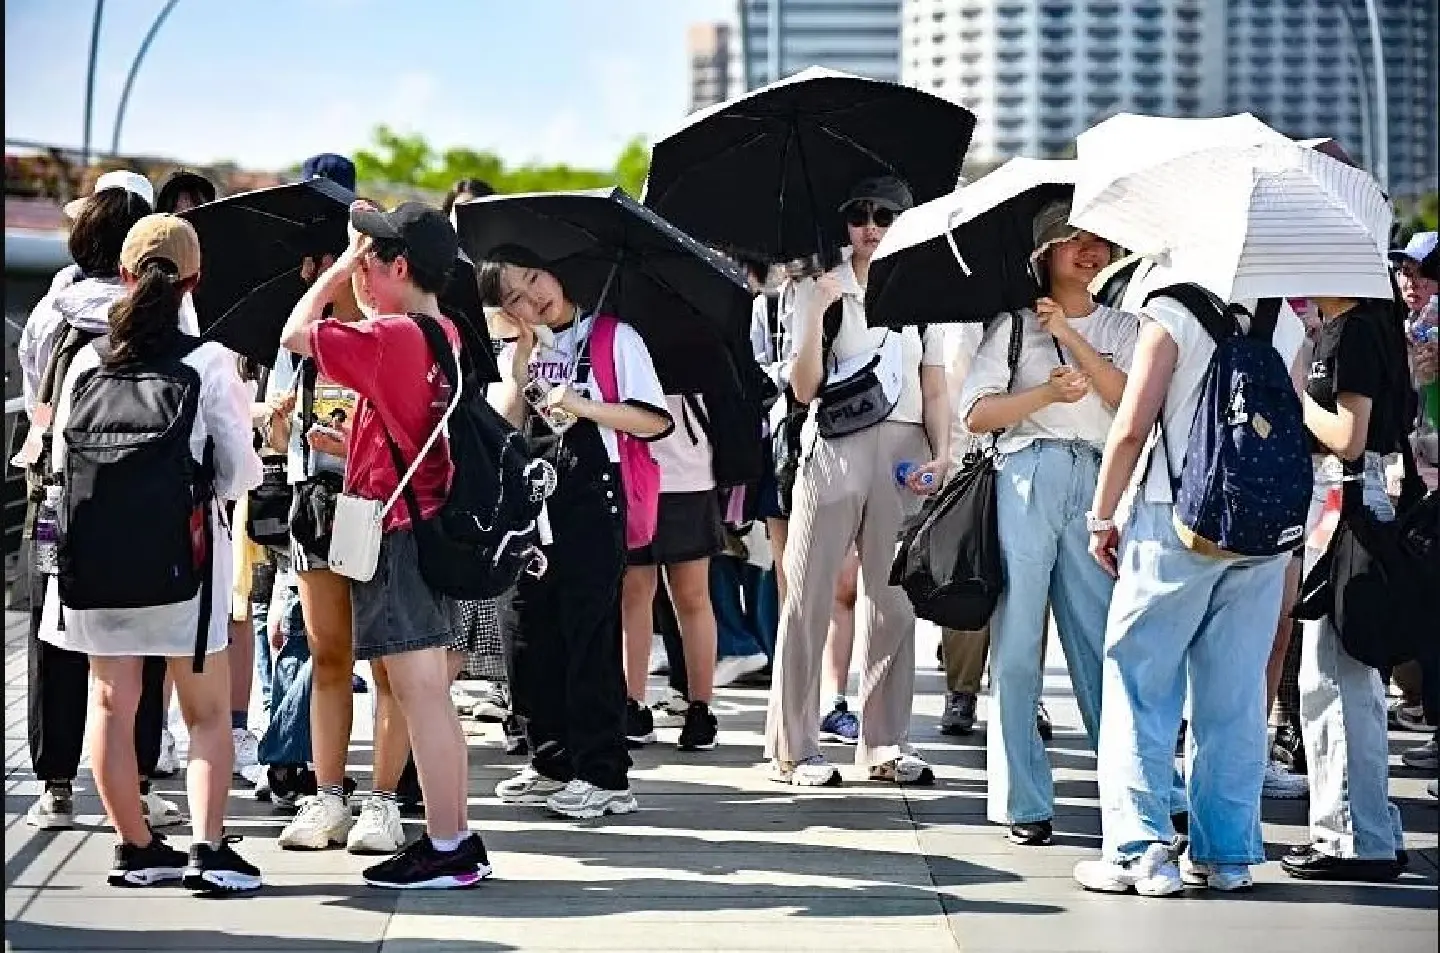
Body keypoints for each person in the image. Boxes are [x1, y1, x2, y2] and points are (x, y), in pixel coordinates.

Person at [39, 213, 263, 891]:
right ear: (195, 279)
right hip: (185, 569)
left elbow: (58, 459)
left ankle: (136, 848)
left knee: (111, 702)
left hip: (96, 566)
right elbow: (239, 473)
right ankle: (208, 848)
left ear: (126, 274)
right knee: (203, 713)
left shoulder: (85, 359)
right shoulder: (209, 361)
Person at [1073, 265, 1305, 896]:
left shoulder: (1171, 308)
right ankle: (1226, 855)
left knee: (1139, 684)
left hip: (1172, 519)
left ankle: (1139, 849)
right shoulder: (1283, 318)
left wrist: (1100, 517)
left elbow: (1132, 425)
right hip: (1260, 530)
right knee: (1233, 699)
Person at [279, 199, 491, 889]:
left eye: (371, 260)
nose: (361, 273)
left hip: (397, 532)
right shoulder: (444, 333)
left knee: (422, 691)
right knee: (429, 692)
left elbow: (295, 335)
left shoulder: (396, 334)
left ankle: (449, 842)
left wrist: (336, 269)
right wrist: (352, 444)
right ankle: (457, 837)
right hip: (421, 517)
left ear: (399, 266)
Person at [957, 202, 1137, 844]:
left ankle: (1133, 793)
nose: (1090, 251)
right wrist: (1044, 394)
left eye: (1099, 240)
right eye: (1074, 241)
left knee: (1104, 645)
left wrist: (1072, 336)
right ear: (1043, 253)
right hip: (1024, 474)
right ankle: (1021, 802)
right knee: (1015, 646)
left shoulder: (1125, 324)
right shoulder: (1008, 325)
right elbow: (976, 414)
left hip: (1097, 483)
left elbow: (1124, 398)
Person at [764, 175, 949, 787]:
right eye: (859, 214)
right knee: (809, 591)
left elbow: (935, 380)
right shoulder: (821, 286)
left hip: (906, 447)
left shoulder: (923, 287)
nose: (872, 226)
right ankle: (795, 746)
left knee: (893, 598)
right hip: (836, 441)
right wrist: (815, 312)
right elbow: (802, 386)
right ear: (842, 223)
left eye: (886, 215)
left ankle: (884, 745)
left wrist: (944, 452)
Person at [17, 174, 181, 833]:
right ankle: (138, 784)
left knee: (51, 637)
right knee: (140, 641)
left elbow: (35, 399)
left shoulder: (52, 313)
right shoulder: (161, 312)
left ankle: (56, 785)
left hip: (58, 499)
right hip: (146, 504)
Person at [482, 250, 671, 820]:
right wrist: (520, 358)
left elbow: (654, 420)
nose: (531, 298)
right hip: (537, 502)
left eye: (532, 279)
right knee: (529, 632)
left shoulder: (614, 337)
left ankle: (604, 774)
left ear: (555, 271)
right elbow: (510, 426)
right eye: (513, 296)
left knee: (588, 636)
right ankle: (551, 761)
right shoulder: (532, 348)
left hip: (595, 497)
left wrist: (585, 405)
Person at [1280, 293, 1409, 883]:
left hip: (1347, 502)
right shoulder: (1371, 326)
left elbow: (1348, 435)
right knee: (1349, 674)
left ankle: (1353, 836)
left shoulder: (1352, 331)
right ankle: (1371, 825)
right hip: (1360, 501)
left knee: (1333, 673)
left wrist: (1301, 398)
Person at [620, 393, 723, 751]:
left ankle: (700, 708)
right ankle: (632, 703)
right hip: (631, 466)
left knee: (691, 594)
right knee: (635, 593)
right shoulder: (617, 335)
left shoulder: (698, 336)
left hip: (688, 469)